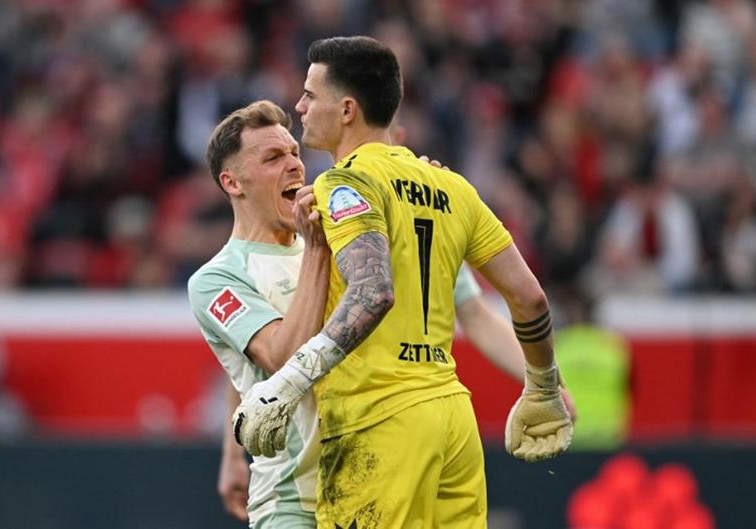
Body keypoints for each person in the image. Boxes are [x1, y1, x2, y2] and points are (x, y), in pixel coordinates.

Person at [233, 36, 572, 528]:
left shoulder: (344, 183)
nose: (299, 105)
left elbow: (373, 292)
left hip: (379, 424)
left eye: (311, 94)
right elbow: (529, 297)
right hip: (453, 420)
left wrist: (289, 381)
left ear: (347, 109)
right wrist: (543, 386)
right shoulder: (453, 186)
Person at [217, 263, 578, 523]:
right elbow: (264, 350)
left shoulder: (421, 210)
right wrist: (233, 453)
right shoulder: (324, 218)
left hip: (378, 439)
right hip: (317, 458)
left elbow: (476, 313)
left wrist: (545, 384)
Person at [188, 100, 331, 528]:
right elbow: (281, 361)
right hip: (294, 501)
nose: (295, 166)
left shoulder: (326, 240)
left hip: (366, 489)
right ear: (233, 182)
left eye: (294, 153)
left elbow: (243, 374)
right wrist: (319, 251)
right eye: (273, 158)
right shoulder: (218, 280)